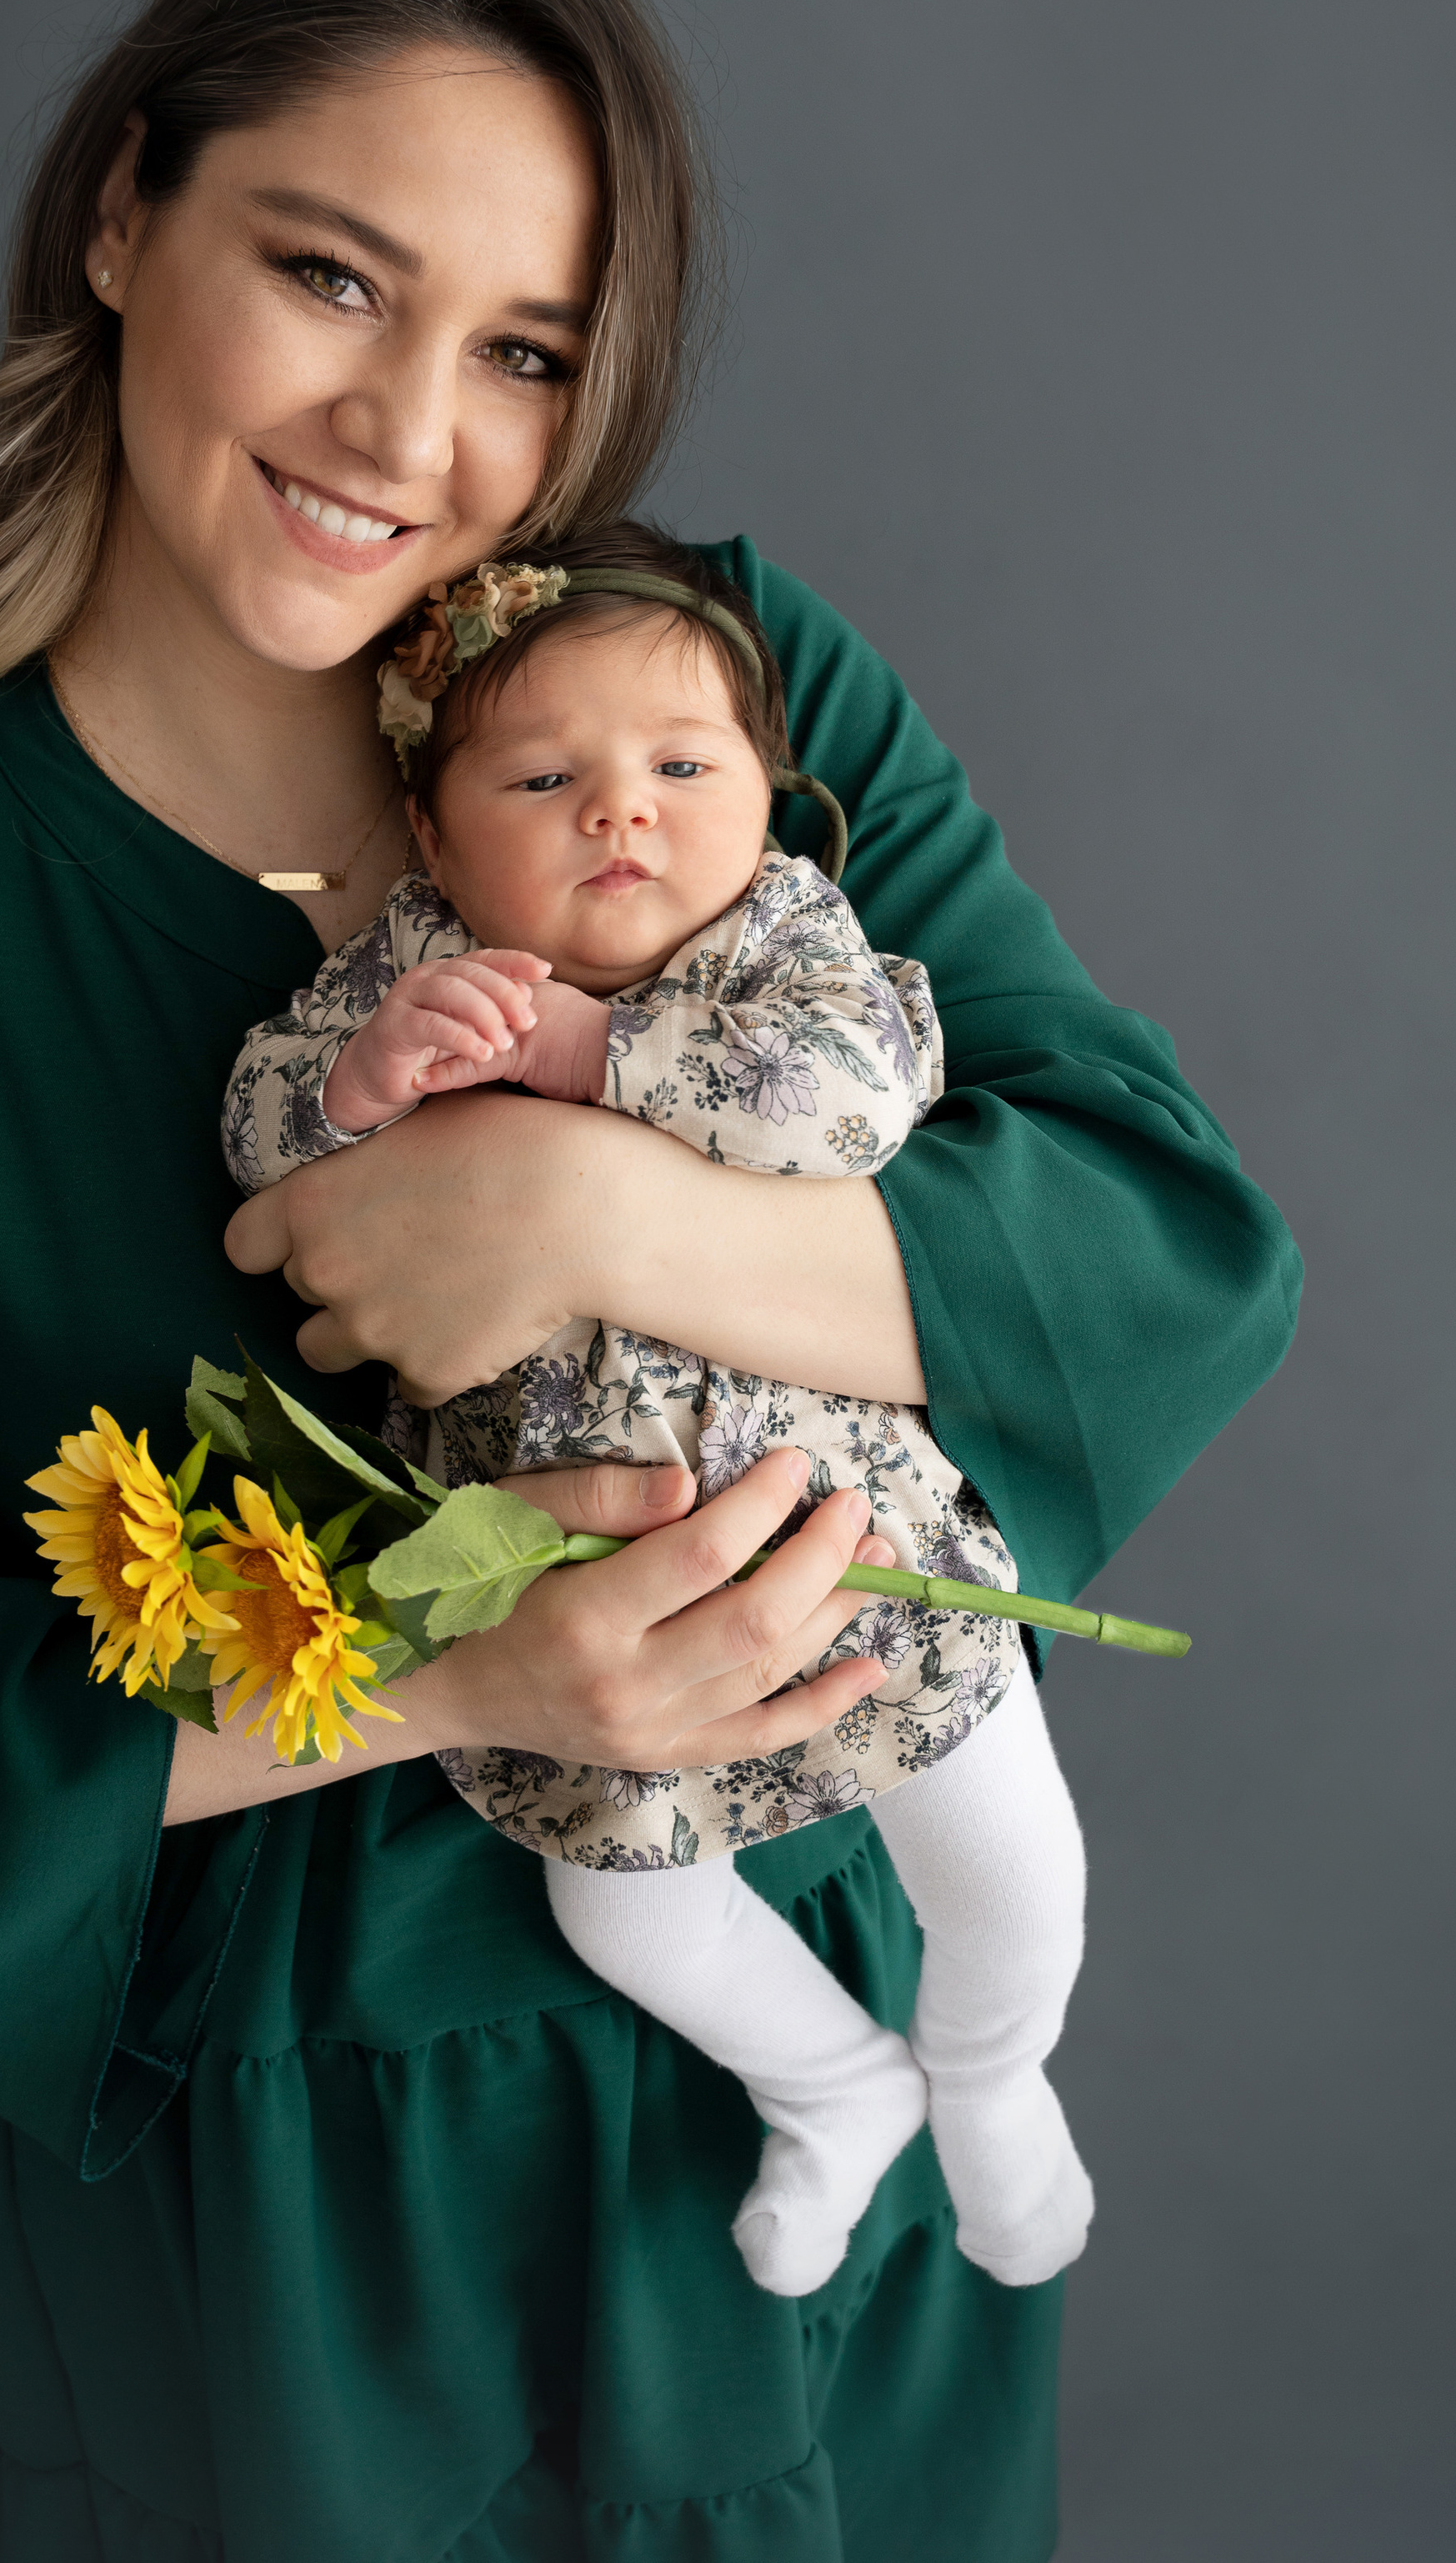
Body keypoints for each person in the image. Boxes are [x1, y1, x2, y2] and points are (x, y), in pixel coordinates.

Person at [0, 0, 1299, 2563]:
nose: (413, 434)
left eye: (522, 347)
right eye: (330, 272)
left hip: (813, 2194)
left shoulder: (712, 686)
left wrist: (576, 1206)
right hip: (287, 2256)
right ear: (122, 206)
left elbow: (1148, 1219)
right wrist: (455, 1657)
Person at [220, 518, 1092, 2304]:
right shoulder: (414, 962)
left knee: (1009, 1862)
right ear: (435, 838)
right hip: (576, 1588)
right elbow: (256, 1131)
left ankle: (993, 2078)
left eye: (680, 766)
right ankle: (831, 2085)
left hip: (851, 1535)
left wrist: (583, 1059)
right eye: (542, 776)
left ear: (763, 797)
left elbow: (848, 1107)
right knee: (622, 1906)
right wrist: (366, 1074)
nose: (619, 812)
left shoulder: (782, 935)